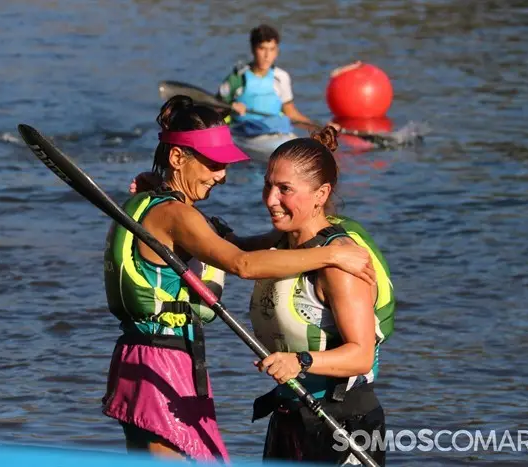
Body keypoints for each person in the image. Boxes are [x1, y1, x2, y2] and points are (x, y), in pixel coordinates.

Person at [103, 95, 377, 463]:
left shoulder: (153, 202)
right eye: (214, 163)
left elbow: (239, 246)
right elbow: (243, 263)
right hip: (161, 364)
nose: (222, 175)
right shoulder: (176, 215)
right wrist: (331, 254)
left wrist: (309, 239)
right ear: (178, 158)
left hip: (146, 358)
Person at [247, 126, 395, 466]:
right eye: (268, 185)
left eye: (284, 189)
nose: (270, 199)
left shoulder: (342, 263)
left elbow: (361, 355)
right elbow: (229, 253)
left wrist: (299, 361)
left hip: (344, 422)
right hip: (289, 414)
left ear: (321, 194)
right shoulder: (283, 243)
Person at [215, 24, 315, 138]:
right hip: (244, 135)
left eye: (271, 49)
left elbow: (291, 114)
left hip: (277, 133)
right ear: (253, 49)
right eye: (262, 49)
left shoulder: (281, 77)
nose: (267, 55)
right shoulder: (237, 79)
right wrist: (230, 107)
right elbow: (215, 111)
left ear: (277, 51)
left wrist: (317, 128)